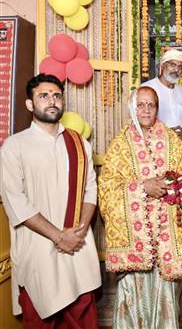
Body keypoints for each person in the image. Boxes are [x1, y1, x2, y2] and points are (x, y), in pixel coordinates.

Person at [98, 86, 182, 329]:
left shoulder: (170, 138)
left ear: (157, 108)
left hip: (167, 238)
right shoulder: (121, 143)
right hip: (136, 236)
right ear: (133, 107)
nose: (146, 110)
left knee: (167, 299)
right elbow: (107, 188)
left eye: (151, 105)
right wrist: (143, 188)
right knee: (132, 298)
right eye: (141, 105)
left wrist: (173, 187)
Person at [0, 74, 101, 328]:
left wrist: (77, 233)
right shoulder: (14, 146)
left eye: (56, 95)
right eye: (43, 96)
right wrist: (59, 236)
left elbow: (91, 189)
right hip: (39, 249)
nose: (51, 101)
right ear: (30, 104)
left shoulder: (79, 143)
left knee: (83, 317)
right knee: (41, 318)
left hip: (78, 247)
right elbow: (16, 202)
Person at [142, 48, 182, 145]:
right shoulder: (146, 89)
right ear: (162, 65)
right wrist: (165, 134)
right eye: (172, 64)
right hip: (155, 150)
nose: (176, 70)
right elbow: (139, 123)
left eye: (180, 67)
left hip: (180, 150)